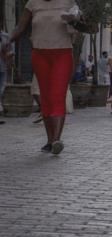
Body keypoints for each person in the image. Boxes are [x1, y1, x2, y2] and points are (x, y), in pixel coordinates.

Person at [10, 0, 79, 154]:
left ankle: (56, 140)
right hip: (39, 54)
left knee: (57, 95)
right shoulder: (32, 3)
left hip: (62, 53)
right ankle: (50, 140)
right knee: (45, 97)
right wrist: (8, 40)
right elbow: (20, 27)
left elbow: (83, 24)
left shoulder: (68, 2)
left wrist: (76, 20)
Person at [0, 22, 13, 118]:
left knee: (1, 89)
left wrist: (7, 54)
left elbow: (11, 52)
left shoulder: (5, 37)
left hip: (2, 67)